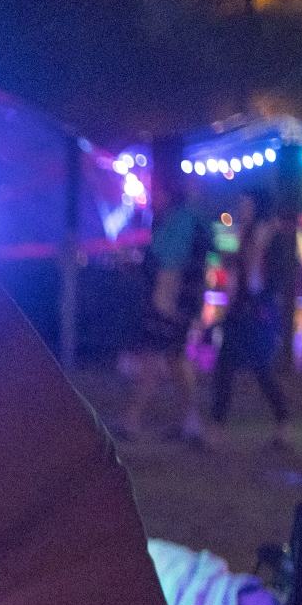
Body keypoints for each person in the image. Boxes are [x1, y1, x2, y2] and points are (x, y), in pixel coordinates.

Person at [118, 176, 212, 442]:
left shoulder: (181, 222)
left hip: (170, 304)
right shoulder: (195, 222)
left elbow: (170, 265)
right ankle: (191, 423)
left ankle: (132, 420)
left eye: (157, 192)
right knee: (173, 360)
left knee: (152, 358)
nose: (152, 198)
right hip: (183, 303)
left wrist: (163, 302)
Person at [203, 188, 297, 451]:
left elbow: (272, 275)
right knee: (230, 369)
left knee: (258, 370)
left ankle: (281, 426)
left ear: (257, 207)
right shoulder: (250, 234)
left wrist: (260, 297)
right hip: (243, 310)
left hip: (256, 313)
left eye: (246, 205)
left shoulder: (269, 235)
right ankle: (219, 430)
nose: (242, 210)